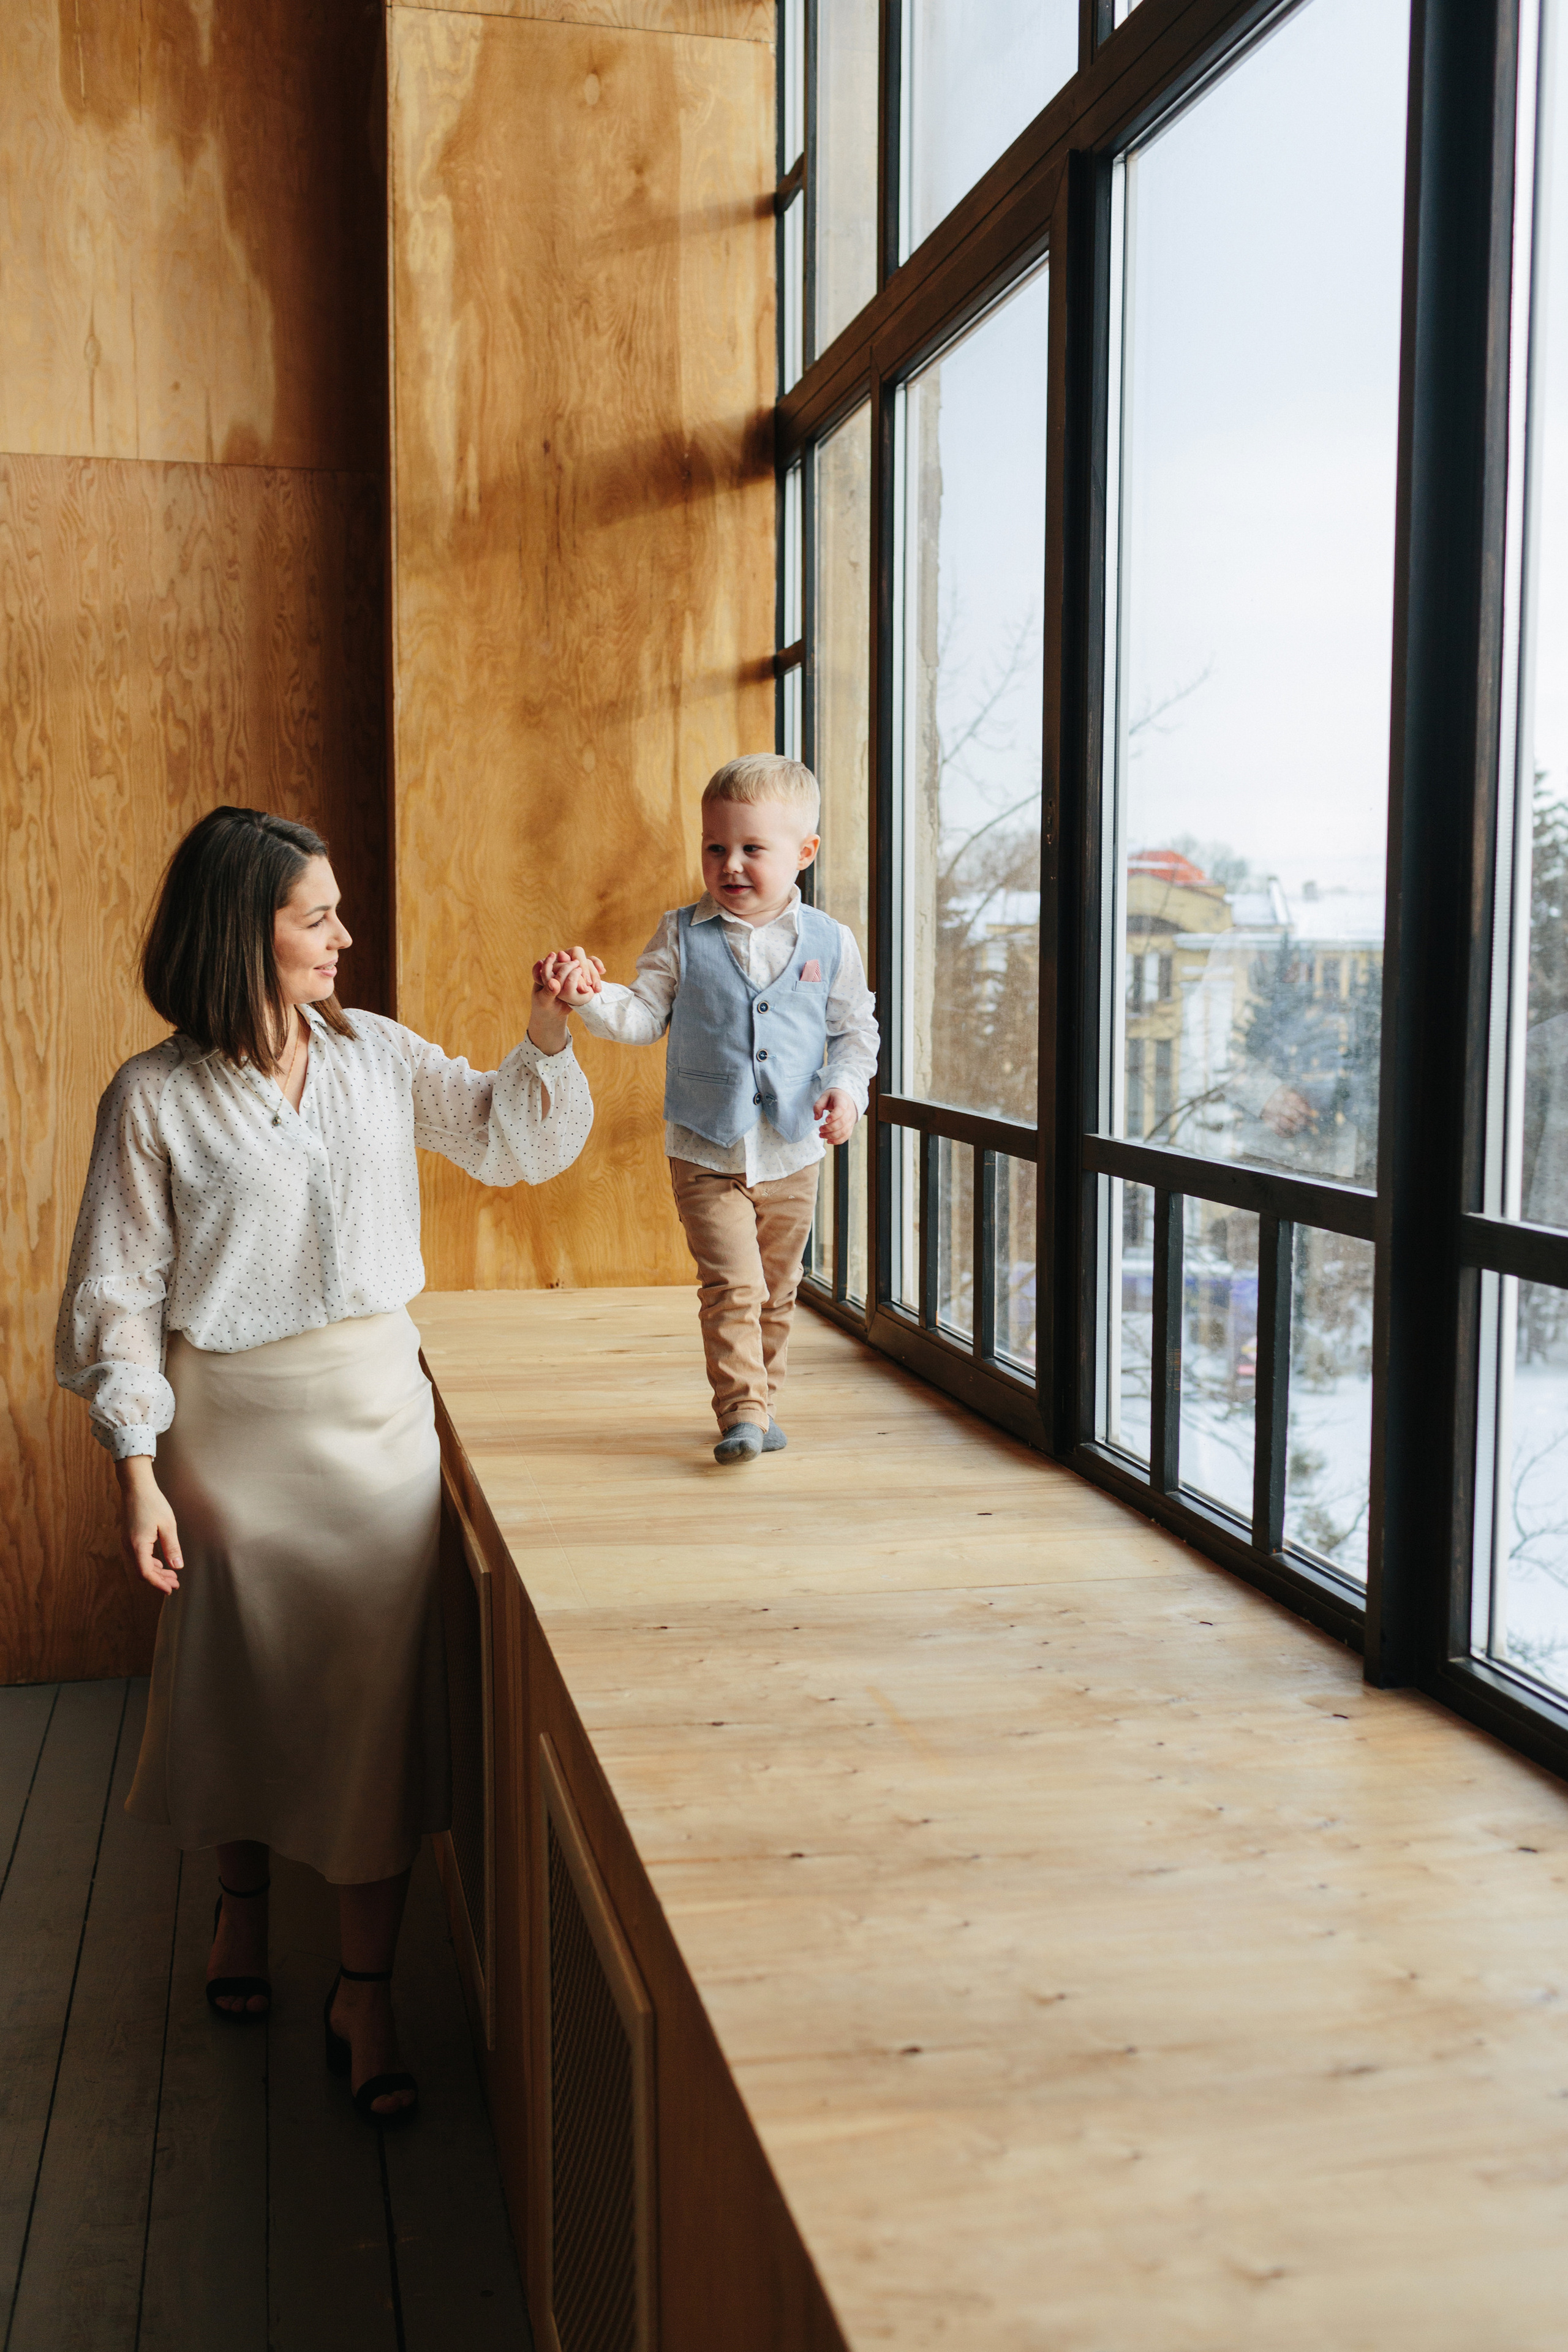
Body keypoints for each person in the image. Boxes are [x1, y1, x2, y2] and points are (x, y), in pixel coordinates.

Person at [56, 807, 597, 2124]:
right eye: (317, 917)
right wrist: (138, 1466)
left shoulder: (372, 1054)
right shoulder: (155, 1099)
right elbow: (117, 1298)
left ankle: (364, 1985)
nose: (344, 936)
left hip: (375, 1420)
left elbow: (503, 1139)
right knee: (242, 1685)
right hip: (228, 1433)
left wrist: (546, 1032)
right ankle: (241, 1911)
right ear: (244, 933)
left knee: (371, 1706)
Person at [545, 753, 878, 1464]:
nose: (730, 864)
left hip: (794, 1149)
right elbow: (640, 1017)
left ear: (804, 853)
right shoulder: (681, 934)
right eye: (715, 847)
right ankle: (742, 1414)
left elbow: (854, 1033)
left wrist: (847, 1092)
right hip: (705, 1147)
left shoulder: (830, 942)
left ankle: (764, 1400)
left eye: (752, 849)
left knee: (779, 1288)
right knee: (734, 1283)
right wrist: (587, 998)